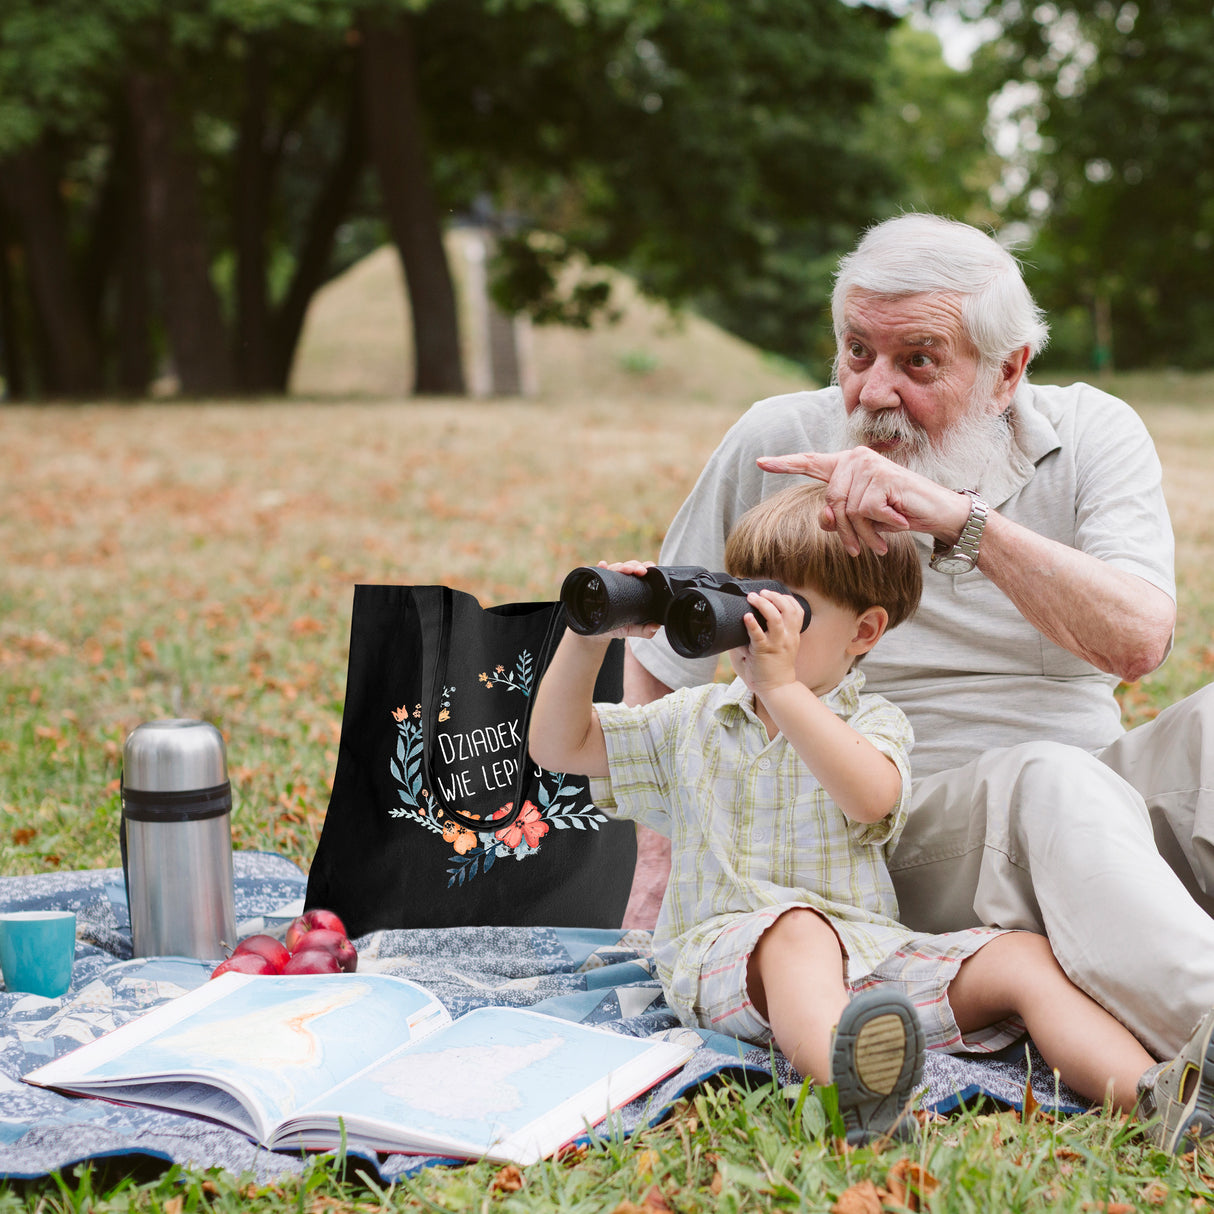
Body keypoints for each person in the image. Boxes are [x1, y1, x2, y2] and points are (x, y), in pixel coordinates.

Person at [622, 212, 1214, 1067]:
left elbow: (1137, 641)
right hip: (883, 833)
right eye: (857, 352)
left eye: (919, 361)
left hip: (1094, 816)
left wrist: (959, 522)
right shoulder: (777, 442)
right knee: (1046, 778)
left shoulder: (1092, 432)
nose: (874, 391)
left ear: (1007, 372)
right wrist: (659, 871)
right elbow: (658, 654)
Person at [531, 484, 1214, 1150]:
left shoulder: (874, 724)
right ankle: (858, 1092)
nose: (755, 627)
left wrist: (784, 689)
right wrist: (590, 637)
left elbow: (872, 798)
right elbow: (558, 745)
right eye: (744, 599)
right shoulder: (692, 722)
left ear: (864, 631)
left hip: (869, 960)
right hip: (728, 960)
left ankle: (1156, 1099)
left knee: (1021, 958)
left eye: (786, 611)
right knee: (797, 929)